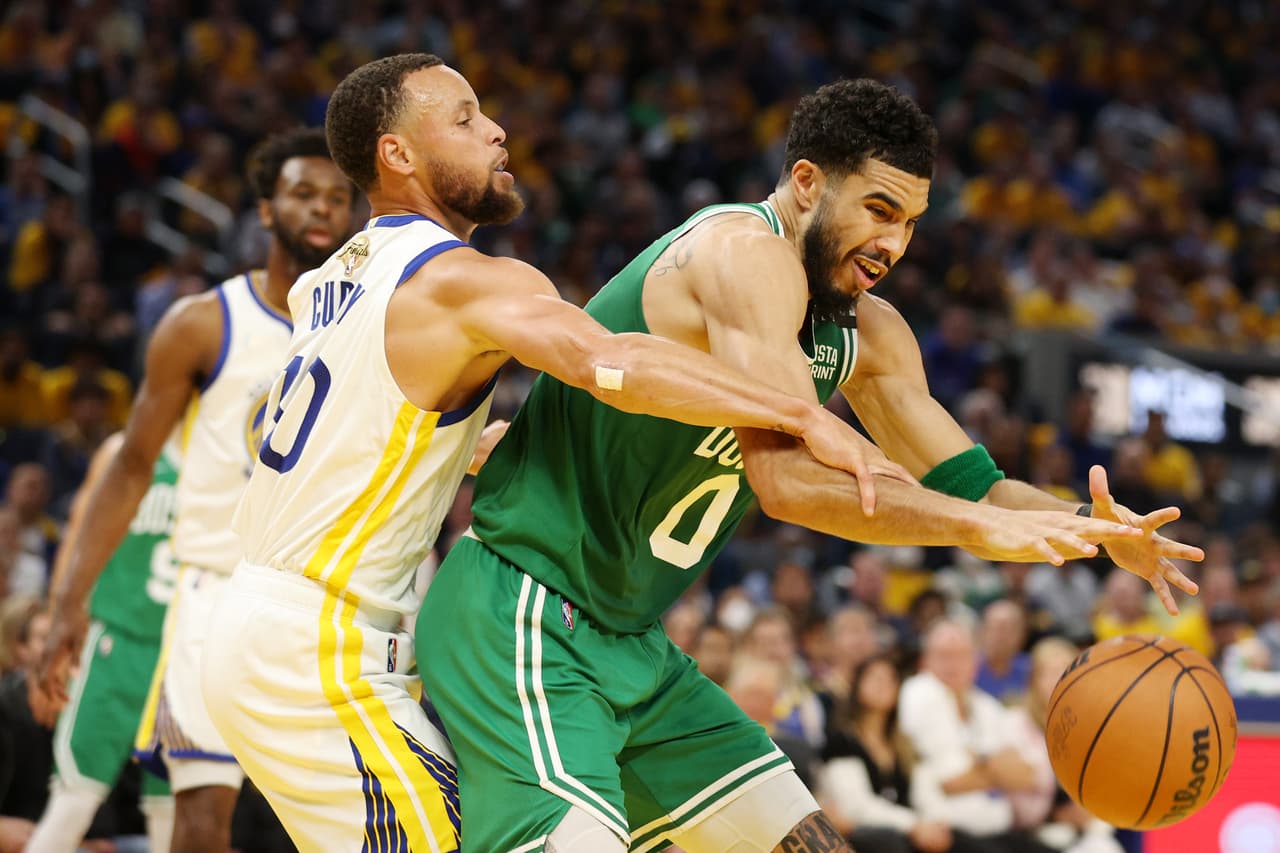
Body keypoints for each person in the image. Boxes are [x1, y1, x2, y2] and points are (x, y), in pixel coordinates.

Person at [418, 79, 1192, 852]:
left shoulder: (871, 334)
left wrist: (1090, 531)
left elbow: (977, 486)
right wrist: (976, 528)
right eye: (879, 210)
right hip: (527, 607)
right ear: (807, 183)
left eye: (911, 223)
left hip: (632, 645)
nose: (894, 244)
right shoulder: (742, 252)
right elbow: (787, 482)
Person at [198, 53, 888, 853]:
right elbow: (613, 364)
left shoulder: (330, 281)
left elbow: (331, 431)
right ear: (397, 154)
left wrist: (457, 453)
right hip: (319, 644)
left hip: (277, 623)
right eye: (461, 118)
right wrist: (798, 414)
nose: (495, 129)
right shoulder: (465, 282)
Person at [34, 127, 356, 853]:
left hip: (319, 598)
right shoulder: (205, 323)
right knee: (200, 812)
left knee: (354, 819)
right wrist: (67, 607)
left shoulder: (361, 331)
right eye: (303, 192)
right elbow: (130, 467)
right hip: (215, 589)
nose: (322, 209)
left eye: (339, 198)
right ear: (267, 210)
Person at [26, 432, 178, 853]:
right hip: (117, 642)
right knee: (74, 797)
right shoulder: (122, 449)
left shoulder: (226, 451)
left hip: (183, 653)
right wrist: (60, 626)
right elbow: (77, 537)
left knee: (172, 811)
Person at [820, 655, 981, 853]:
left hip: (910, 828)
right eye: (875, 677)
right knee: (892, 844)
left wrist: (935, 824)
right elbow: (856, 806)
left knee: (965, 842)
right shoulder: (841, 741)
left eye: (890, 679)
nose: (883, 684)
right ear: (857, 685)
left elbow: (925, 793)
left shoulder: (904, 744)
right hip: (867, 831)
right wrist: (913, 825)